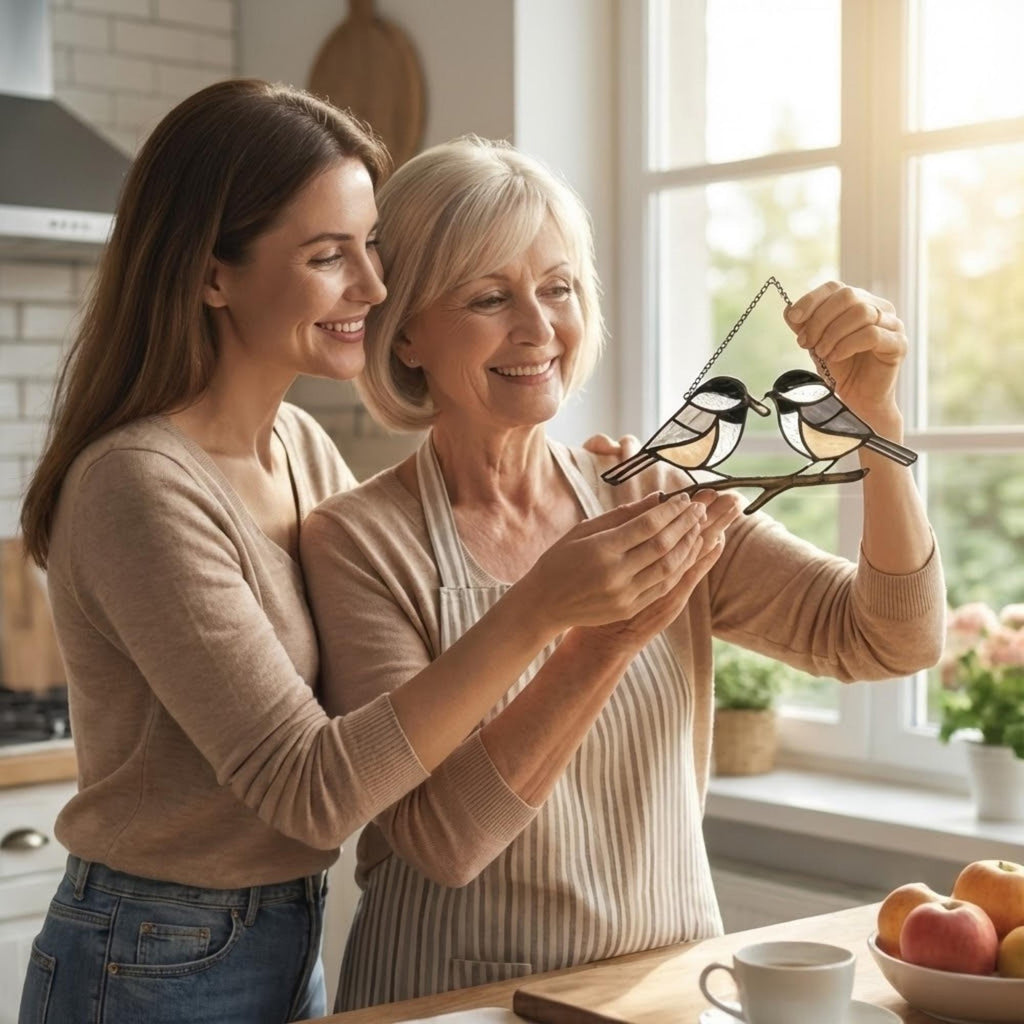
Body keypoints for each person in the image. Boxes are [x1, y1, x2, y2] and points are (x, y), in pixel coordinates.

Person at [17, 83, 719, 1024]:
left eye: (370, 249)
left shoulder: (298, 447)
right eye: (326, 257)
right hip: (150, 953)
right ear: (212, 274)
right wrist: (543, 609)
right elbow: (309, 791)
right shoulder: (139, 485)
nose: (374, 290)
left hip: (278, 933)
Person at [300, 136, 947, 1011]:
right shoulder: (358, 541)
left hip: (667, 991)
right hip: (454, 1000)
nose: (538, 329)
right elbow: (444, 841)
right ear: (405, 332)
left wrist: (874, 424)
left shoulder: (652, 491)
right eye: (490, 297)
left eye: (558, 288)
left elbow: (890, 639)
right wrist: (598, 641)